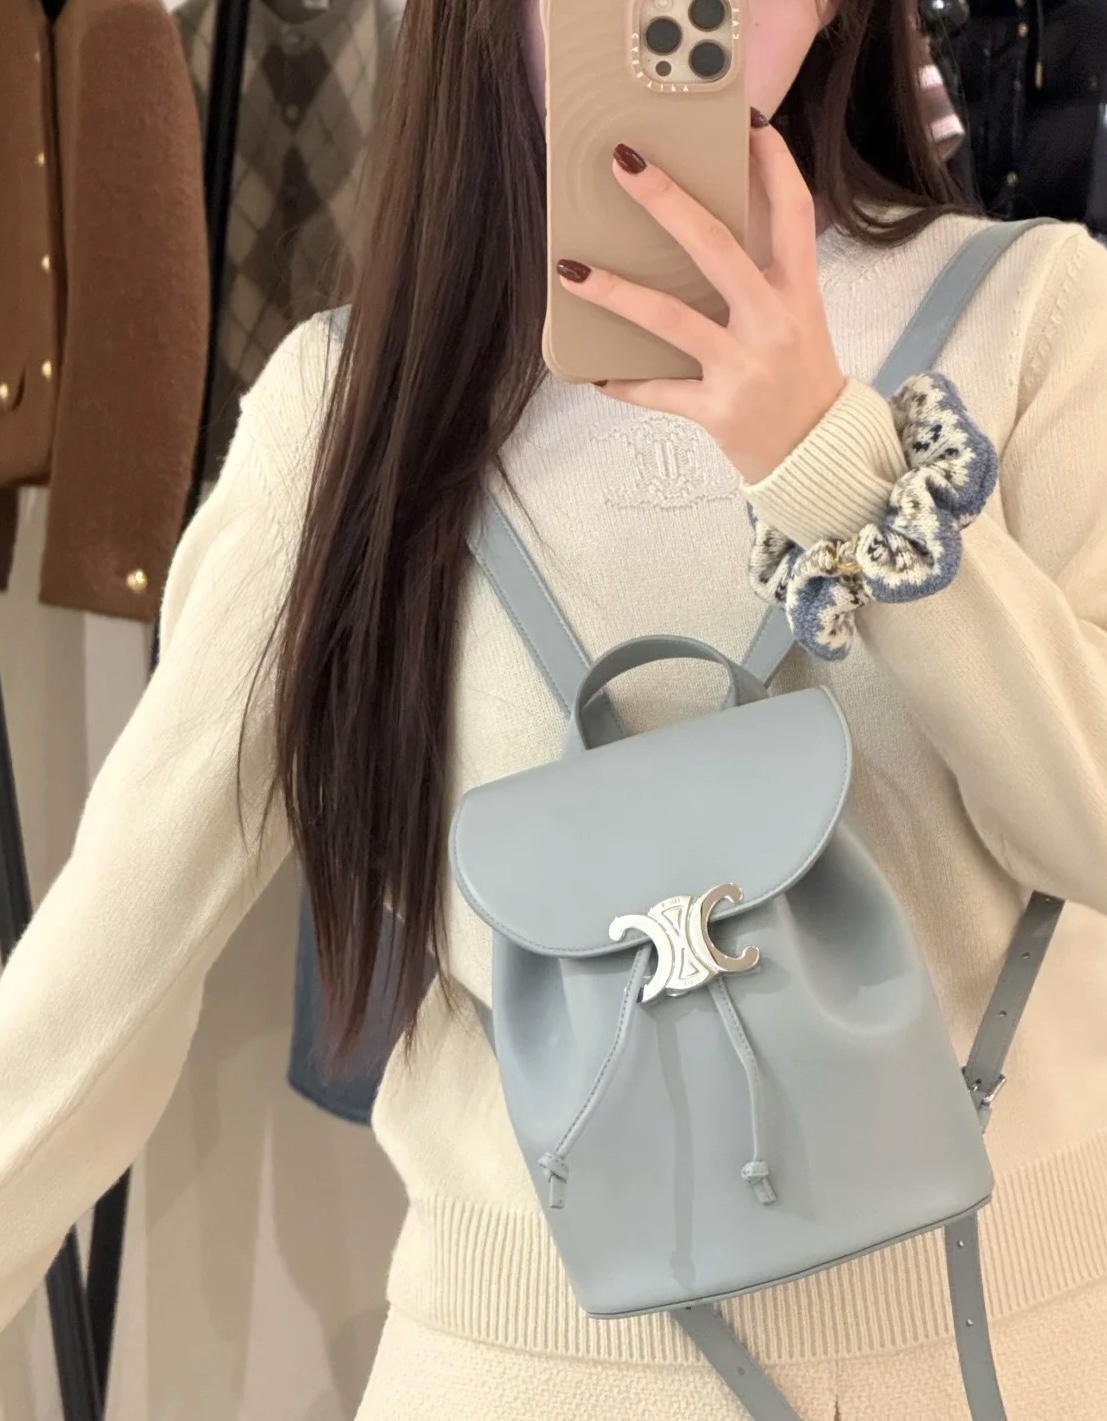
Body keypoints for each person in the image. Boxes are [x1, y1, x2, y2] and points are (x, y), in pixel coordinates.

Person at [2, 0, 1107, 1416]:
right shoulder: (351, 409)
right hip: (521, 1366)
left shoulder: (1034, 317)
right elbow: (99, 983)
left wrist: (828, 454)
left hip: (1005, 1350)